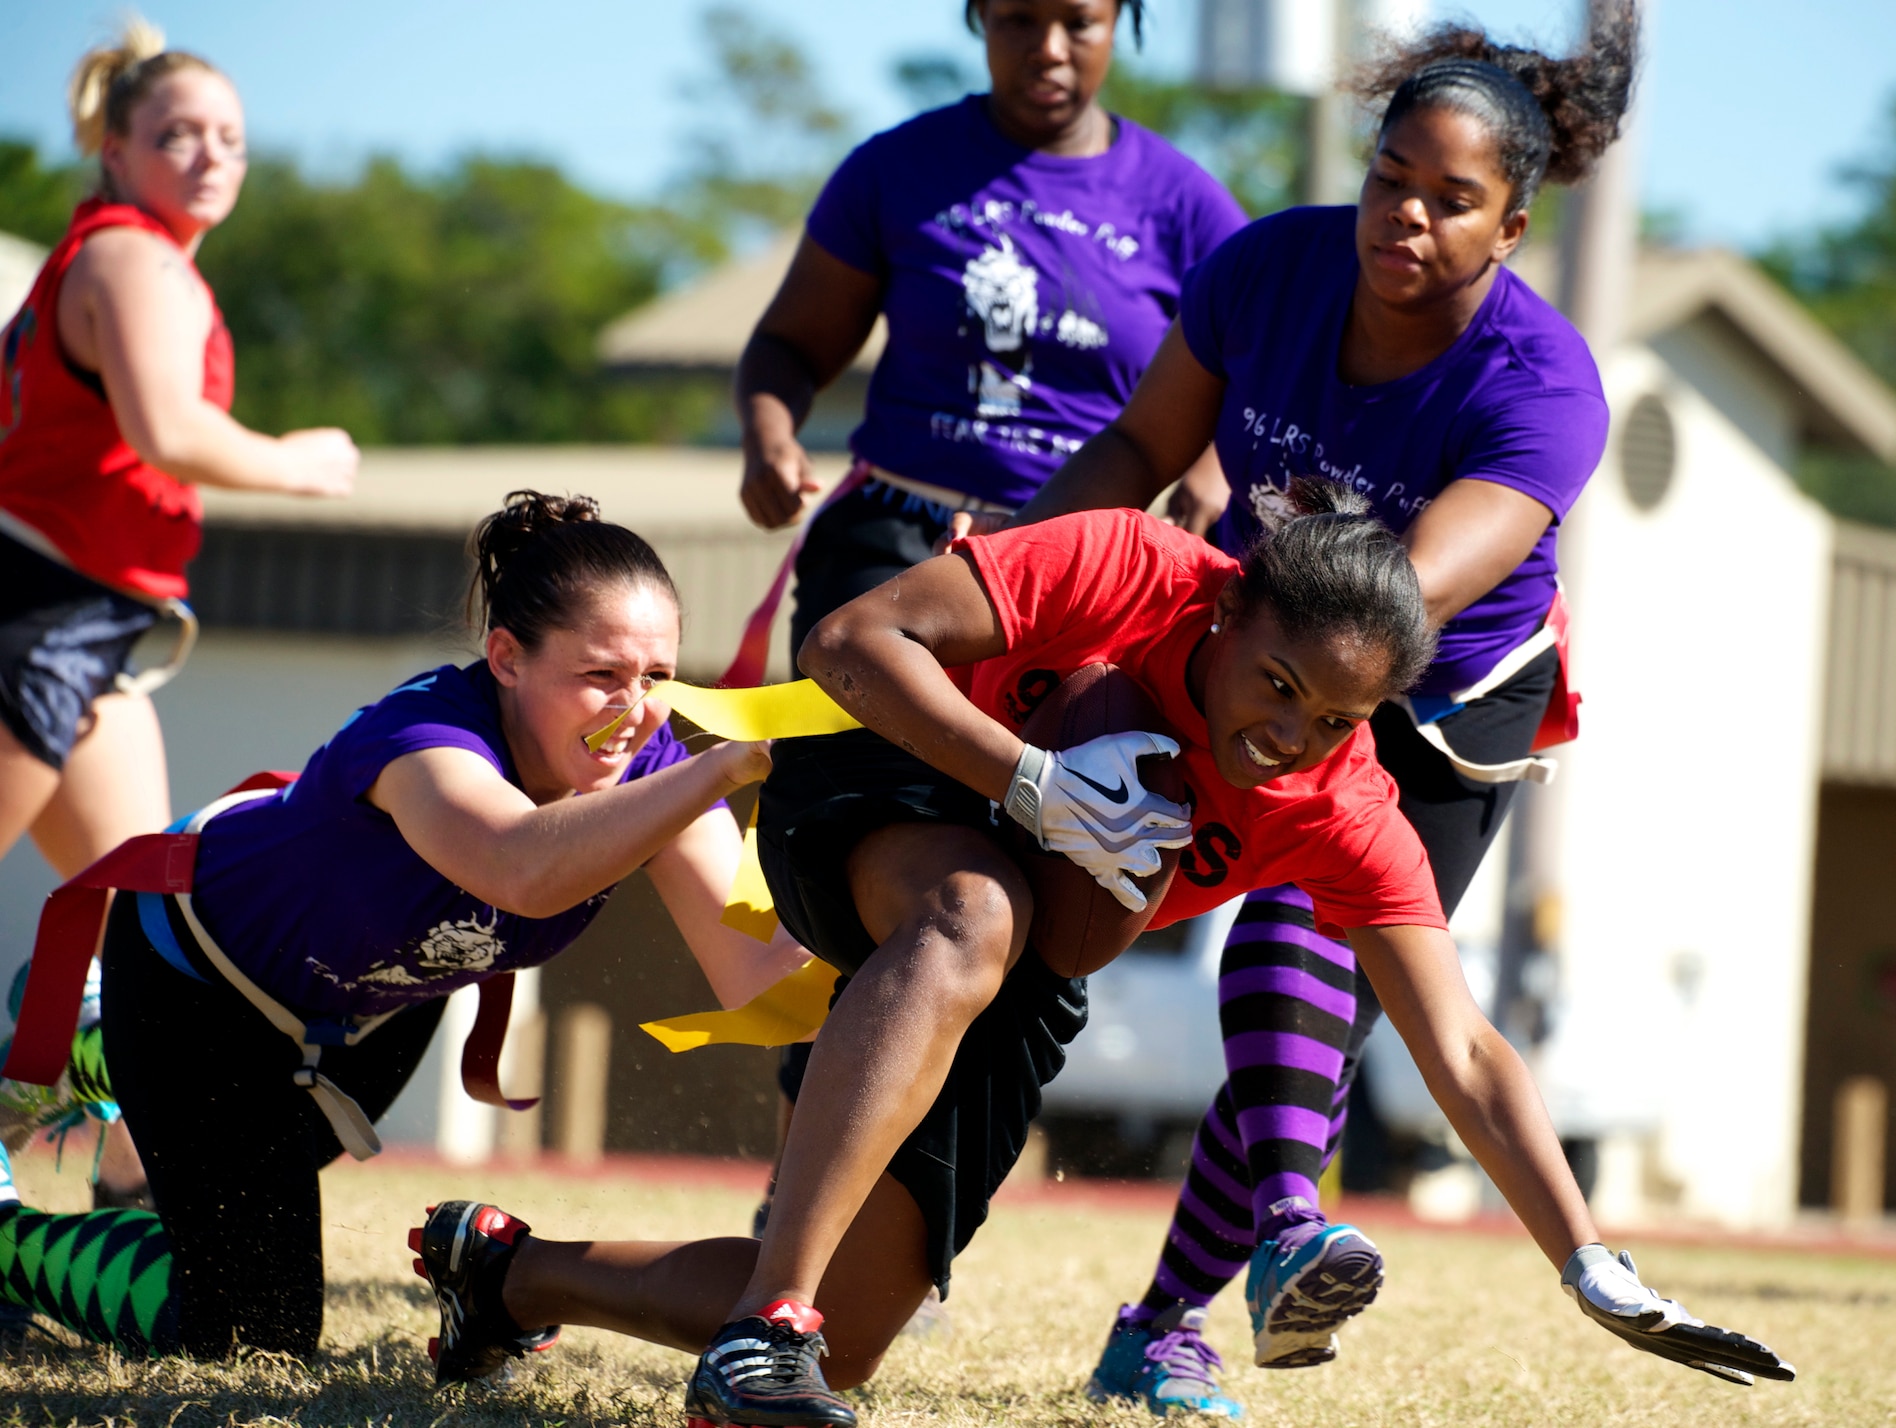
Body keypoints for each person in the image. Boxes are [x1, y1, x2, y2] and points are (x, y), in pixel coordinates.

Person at [410, 488, 1789, 1428]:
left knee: (862, 1332)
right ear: (1233, 608)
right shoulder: (1141, 565)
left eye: (1336, 719)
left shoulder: (1346, 802)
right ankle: (768, 1316)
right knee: (982, 916)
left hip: (1028, 945)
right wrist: (1029, 778)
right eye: (1279, 686)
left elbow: (1469, 1052)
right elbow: (848, 643)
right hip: (891, 778)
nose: (1290, 738)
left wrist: (1589, 1262)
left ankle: (516, 1277)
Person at [972, 7, 1644, 1412]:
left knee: (1311, 947)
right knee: (1258, 977)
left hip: (1437, 687)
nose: (1404, 215)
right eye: (1390, 176)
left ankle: (1168, 1316)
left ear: (1512, 230)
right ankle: (1280, 1233)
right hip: (1265, 635)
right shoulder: (1269, 268)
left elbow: (1393, 613)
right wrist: (992, 598)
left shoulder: (1547, 388)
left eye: (1451, 201)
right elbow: (1142, 448)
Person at [0, 492, 811, 1360]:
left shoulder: (659, 770)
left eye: (658, 678)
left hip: (369, 1008)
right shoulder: (425, 736)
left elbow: (767, 983)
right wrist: (724, 767)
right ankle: (19, 1202)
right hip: (195, 976)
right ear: (505, 657)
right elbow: (525, 868)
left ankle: (98, 1060)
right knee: (250, 1332)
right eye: (601, 675)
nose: (634, 710)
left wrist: (941, 957)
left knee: (238, 1204)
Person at [731, 0, 1244, 1244]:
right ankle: (803, 1213)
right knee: (892, 879)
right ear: (974, 20)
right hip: (898, 561)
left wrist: (1212, 493)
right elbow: (791, 341)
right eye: (1017, 17)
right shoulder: (900, 167)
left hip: (1073, 589)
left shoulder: (1186, 205)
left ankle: (871, 1217)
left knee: (1005, 899)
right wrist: (768, 433)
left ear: (1124, 22)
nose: (1048, 46)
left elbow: (1235, 398)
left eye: (1079, 18)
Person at [0, 19, 355, 1212]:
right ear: (114, 146)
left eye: (231, 140)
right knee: (130, 937)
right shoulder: (130, 260)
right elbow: (167, 432)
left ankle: (113, 1183)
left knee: (132, 939)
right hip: (33, 617)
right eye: (177, 135)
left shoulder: (128, 259)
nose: (210, 157)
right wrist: (299, 460)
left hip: (87, 633)